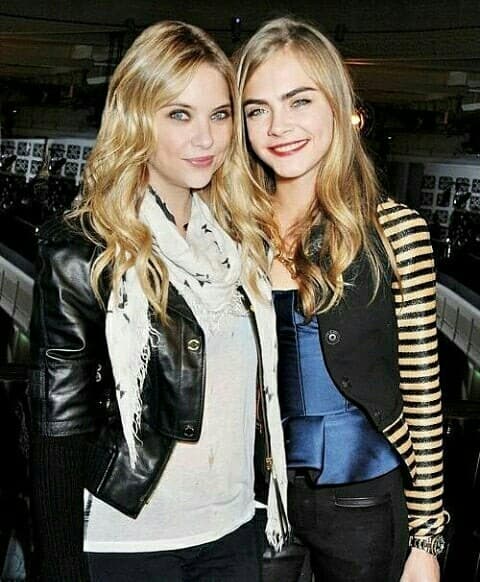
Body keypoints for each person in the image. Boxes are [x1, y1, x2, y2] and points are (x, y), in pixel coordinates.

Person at [28, 20, 289, 582]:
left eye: (220, 115)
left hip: (234, 532)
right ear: (137, 118)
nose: (206, 139)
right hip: (129, 543)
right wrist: (61, 566)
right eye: (179, 114)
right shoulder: (85, 251)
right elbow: (57, 424)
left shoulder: (240, 241)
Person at [235, 16, 448, 582]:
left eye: (299, 101)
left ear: (338, 104)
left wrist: (427, 540)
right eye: (257, 109)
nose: (278, 126)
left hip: (365, 499)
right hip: (252, 501)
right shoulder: (230, 233)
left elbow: (423, 393)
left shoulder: (395, 231)